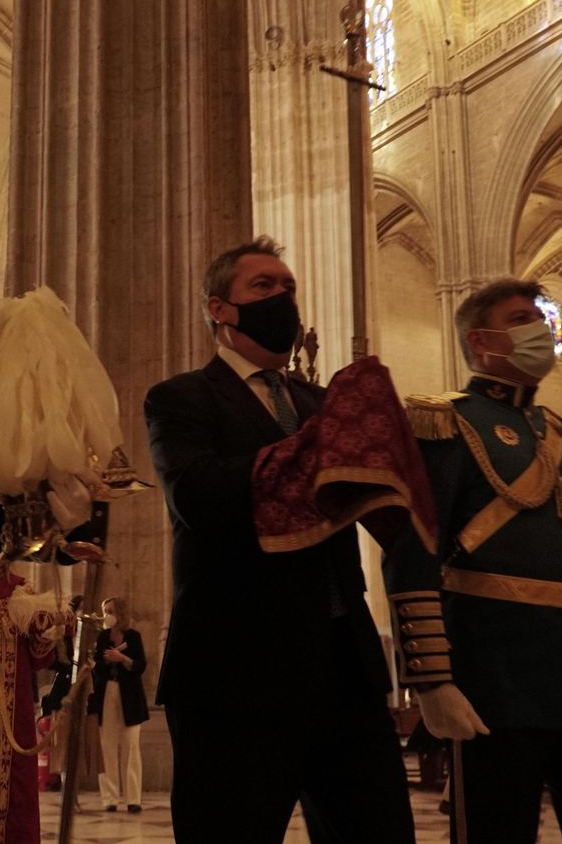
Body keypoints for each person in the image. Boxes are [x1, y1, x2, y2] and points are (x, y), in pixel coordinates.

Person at [143, 237, 419, 843]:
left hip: (344, 666)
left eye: (288, 287)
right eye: (263, 287)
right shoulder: (181, 397)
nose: (281, 298)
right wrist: (323, 446)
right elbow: (199, 496)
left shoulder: (320, 403)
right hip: (234, 670)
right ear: (219, 308)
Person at [387, 278, 562, 844]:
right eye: (521, 320)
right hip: (496, 682)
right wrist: (433, 681)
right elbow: (413, 552)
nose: (539, 330)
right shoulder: (444, 422)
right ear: (481, 340)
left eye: (539, 317)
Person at [0, 565, 66, 843]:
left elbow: (39, 658)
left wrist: (47, 633)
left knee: (15, 795)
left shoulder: (22, 591)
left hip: (14, 711)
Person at [90, 596, 147, 813]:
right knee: (108, 747)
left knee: (130, 747)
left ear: (120, 613)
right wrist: (103, 660)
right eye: (105, 610)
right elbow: (96, 667)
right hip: (107, 694)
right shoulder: (102, 636)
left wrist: (121, 658)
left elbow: (141, 665)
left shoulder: (133, 637)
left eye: (111, 610)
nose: (107, 615)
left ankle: (133, 798)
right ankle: (110, 799)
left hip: (130, 697)